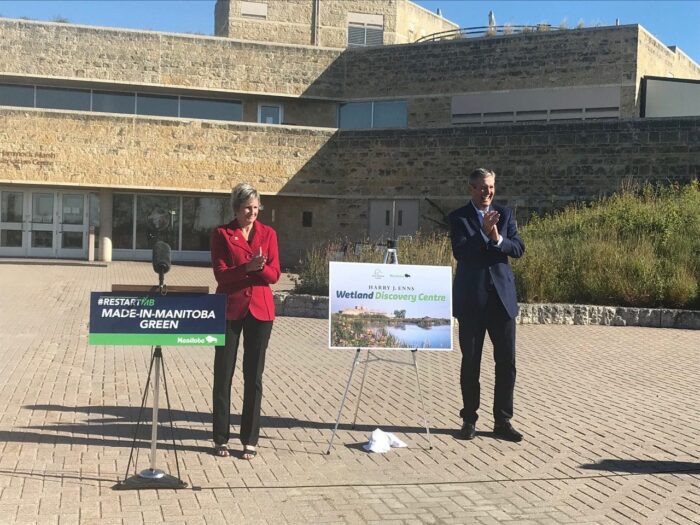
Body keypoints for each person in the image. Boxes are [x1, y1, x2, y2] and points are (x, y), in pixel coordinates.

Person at [448, 168, 525, 442]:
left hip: (501, 301)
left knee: (507, 363)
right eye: (482, 188)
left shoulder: (505, 214)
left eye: (491, 187)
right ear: (471, 189)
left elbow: (517, 248)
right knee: (471, 362)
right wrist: (482, 233)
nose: (488, 193)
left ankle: (503, 421)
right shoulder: (459, 218)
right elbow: (462, 253)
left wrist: (497, 239)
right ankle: (469, 418)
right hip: (472, 301)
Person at [210, 183, 280, 459]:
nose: (252, 212)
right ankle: (220, 438)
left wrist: (259, 269)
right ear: (236, 210)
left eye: (256, 207)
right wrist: (247, 268)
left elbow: (275, 275)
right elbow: (221, 275)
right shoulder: (221, 234)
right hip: (229, 309)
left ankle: (250, 439)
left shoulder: (268, 233)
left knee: (254, 377)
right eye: (247, 208)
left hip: (261, 311)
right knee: (223, 374)